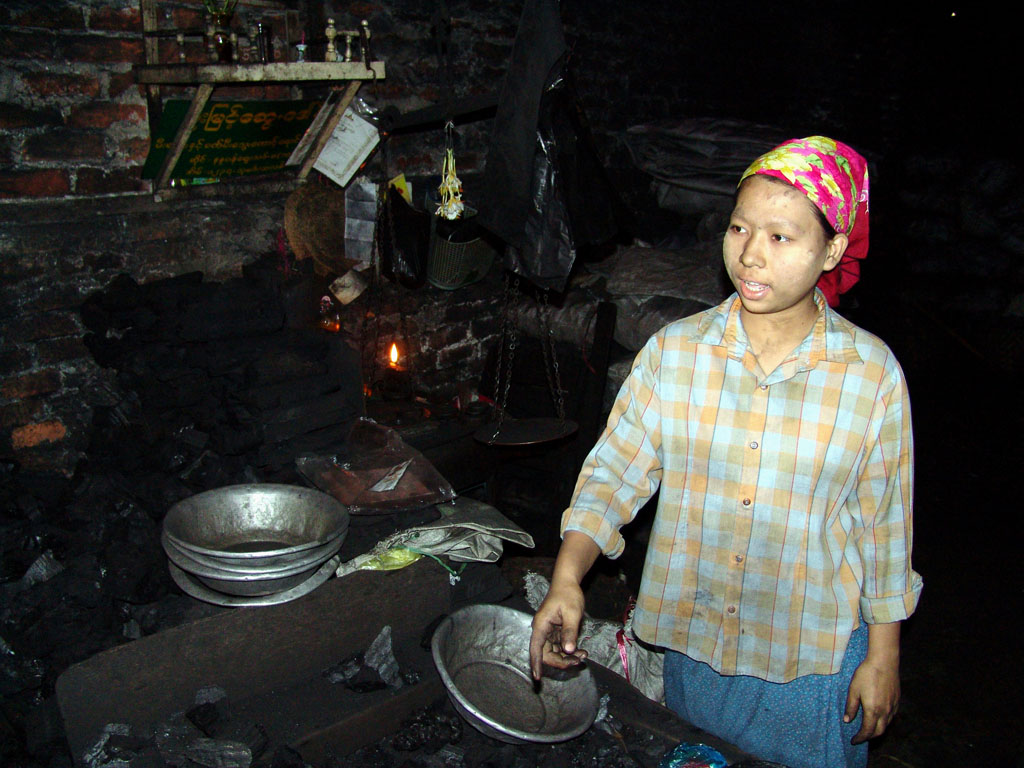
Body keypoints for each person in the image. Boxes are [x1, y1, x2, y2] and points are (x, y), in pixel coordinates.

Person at [528, 136, 922, 768]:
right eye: (739, 227)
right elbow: (612, 475)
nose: (750, 255)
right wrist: (567, 576)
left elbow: (883, 529)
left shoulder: (869, 374)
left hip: (811, 665)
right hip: (695, 645)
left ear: (834, 250)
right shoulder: (675, 353)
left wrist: (884, 656)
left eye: (780, 237)